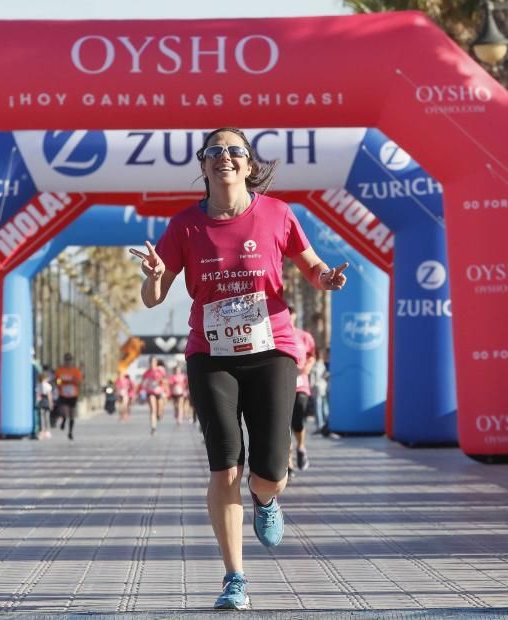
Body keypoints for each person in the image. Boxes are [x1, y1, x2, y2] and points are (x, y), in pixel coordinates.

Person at [129, 127, 348, 610]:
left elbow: (310, 265)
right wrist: (155, 277)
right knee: (224, 462)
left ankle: (266, 498)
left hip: (272, 350)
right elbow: (153, 296)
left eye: (234, 151)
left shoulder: (277, 214)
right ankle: (235, 578)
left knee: (270, 469)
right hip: (210, 354)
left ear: (248, 164)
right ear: (203, 166)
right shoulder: (185, 225)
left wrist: (326, 277)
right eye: (214, 152)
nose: (223, 157)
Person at [288, 306, 317, 475]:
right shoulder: (274, 335)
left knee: (298, 419)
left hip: (301, 384)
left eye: (291, 313)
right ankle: (288, 464)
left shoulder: (304, 336)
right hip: (283, 383)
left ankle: (301, 447)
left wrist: (308, 366)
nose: (288, 316)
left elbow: (312, 355)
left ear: (295, 315)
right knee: (284, 426)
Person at [54, 352, 83, 439]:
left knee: (72, 414)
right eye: (66, 360)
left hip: (73, 394)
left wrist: (74, 381)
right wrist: (61, 382)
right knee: (64, 411)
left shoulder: (76, 371)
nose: (68, 362)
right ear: (64, 361)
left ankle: (70, 432)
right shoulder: (60, 370)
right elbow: (57, 381)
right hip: (63, 394)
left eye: (69, 360)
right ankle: (63, 419)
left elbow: (79, 382)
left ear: (72, 361)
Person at [139, 356, 169, 435]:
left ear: (156, 363)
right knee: (153, 410)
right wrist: (144, 385)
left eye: (154, 362)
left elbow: (166, 381)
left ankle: (159, 415)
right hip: (151, 392)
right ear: (149, 363)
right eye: (151, 362)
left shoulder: (161, 371)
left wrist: (161, 382)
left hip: (160, 392)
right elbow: (142, 384)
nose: (152, 364)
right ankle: (153, 427)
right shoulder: (146, 373)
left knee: (159, 412)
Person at [309, 348, 330, 436]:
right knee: (325, 406)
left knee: (318, 407)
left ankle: (320, 426)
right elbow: (327, 375)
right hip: (324, 386)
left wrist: (310, 387)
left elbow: (312, 379)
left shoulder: (315, 365)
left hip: (317, 387)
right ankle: (327, 424)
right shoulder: (324, 365)